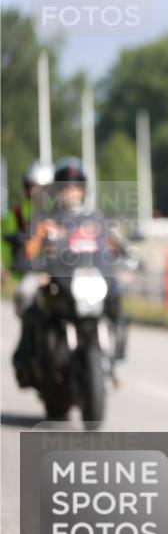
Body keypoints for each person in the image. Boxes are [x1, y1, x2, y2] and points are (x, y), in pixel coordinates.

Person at [15, 157, 126, 385]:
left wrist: (123, 258)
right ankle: (28, 358)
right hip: (57, 279)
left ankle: (113, 356)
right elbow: (31, 250)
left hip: (88, 277)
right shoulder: (47, 218)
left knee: (117, 291)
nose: (72, 192)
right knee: (28, 298)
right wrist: (36, 260)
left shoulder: (94, 218)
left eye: (77, 187)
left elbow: (110, 245)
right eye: (66, 187)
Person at [3, 161, 54, 387]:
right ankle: (26, 356)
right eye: (34, 186)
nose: (38, 192)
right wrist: (3, 268)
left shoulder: (61, 213)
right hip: (31, 275)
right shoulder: (15, 214)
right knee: (27, 296)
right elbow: (4, 245)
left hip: (60, 274)